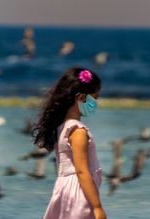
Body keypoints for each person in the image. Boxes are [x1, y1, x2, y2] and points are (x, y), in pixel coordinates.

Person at [33, 66, 107, 219]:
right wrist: (97, 207)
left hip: (65, 191)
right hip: (79, 192)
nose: (96, 103)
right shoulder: (78, 131)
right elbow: (82, 172)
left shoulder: (63, 127)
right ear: (81, 98)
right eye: (95, 98)